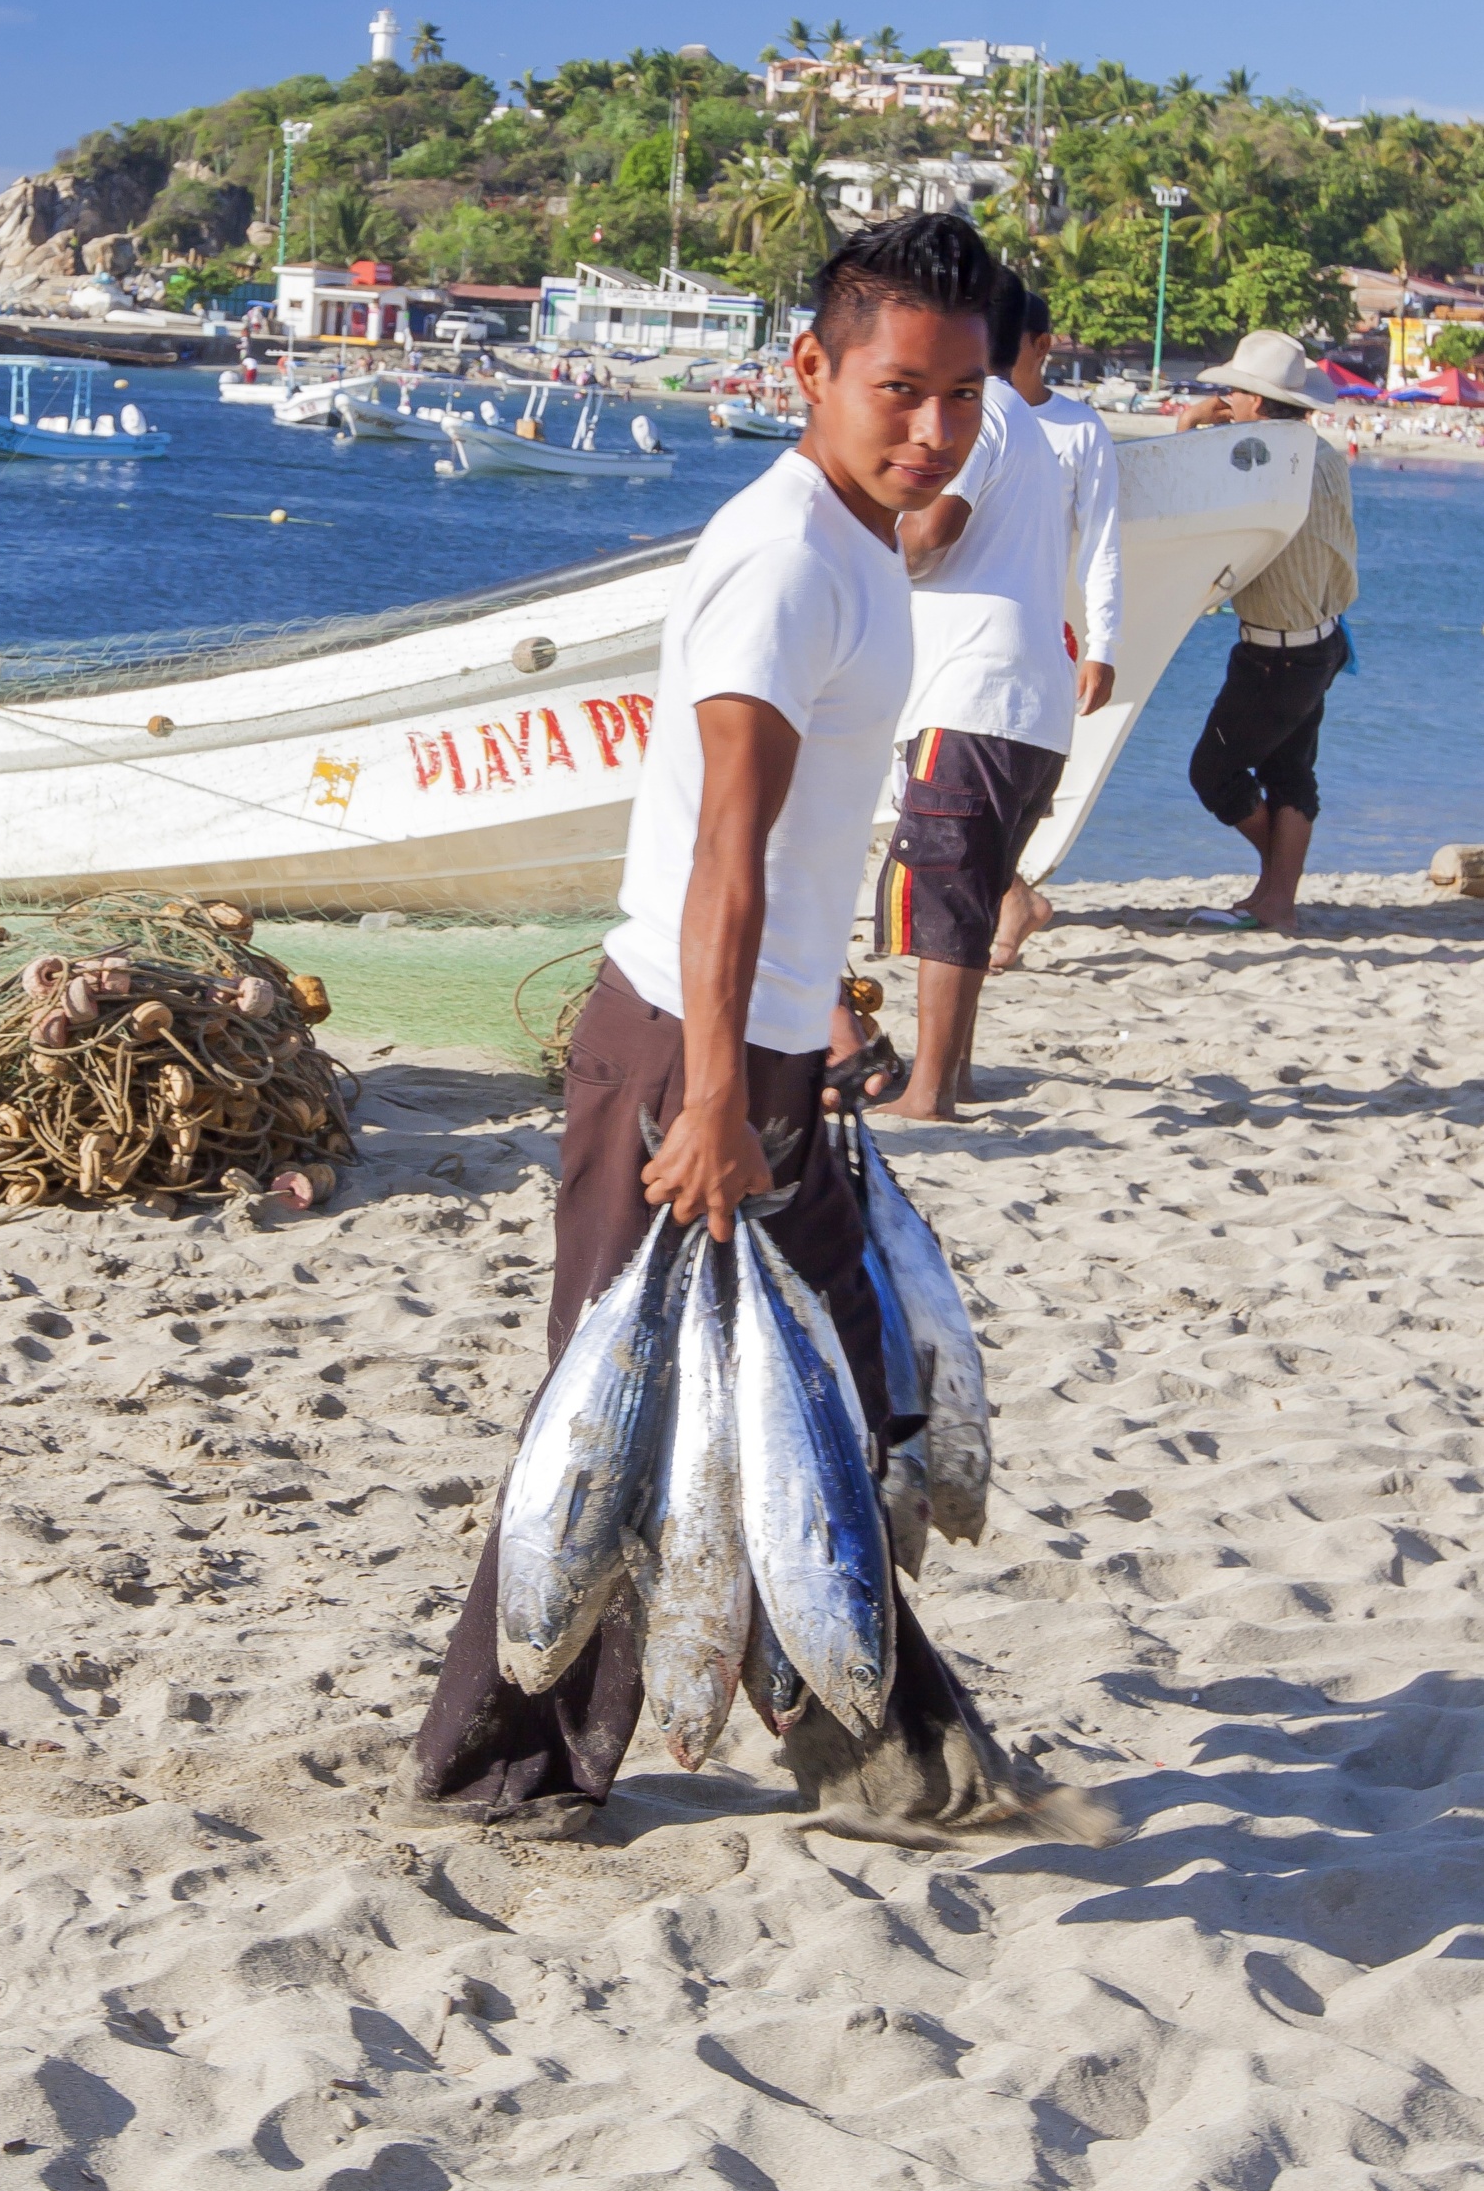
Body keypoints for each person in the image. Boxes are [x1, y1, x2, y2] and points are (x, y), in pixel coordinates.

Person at [394, 214, 1049, 1844]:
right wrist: (707, 1097)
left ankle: (899, 1758)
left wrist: (812, 1017)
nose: (933, 430)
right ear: (810, 371)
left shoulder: (855, 541)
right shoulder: (780, 564)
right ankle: (496, 1773)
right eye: (900, 391)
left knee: (819, 1414)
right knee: (610, 1425)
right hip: (681, 1057)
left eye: (964, 396)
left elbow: (801, 849)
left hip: (758, 1057)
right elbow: (722, 853)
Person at [874, 268, 1118, 1121]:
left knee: (946, 891)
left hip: (970, 687)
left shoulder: (979, 421)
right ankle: (957, 1072)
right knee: (972, 889)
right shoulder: (1027, 425)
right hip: (1029, 697)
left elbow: (932, 536)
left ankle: (931, 1090)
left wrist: (862, 537)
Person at [1178, 328, 1357, 933]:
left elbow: (1190, 499)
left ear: (1257, 401)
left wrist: (1188, 425)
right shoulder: (1322, 453)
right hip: (1324, 641)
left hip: (1277, 653)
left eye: (1235, 389)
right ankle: (1277, 898)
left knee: (1214, 772)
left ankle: (1278, 884)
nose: (1227, 396)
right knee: (1291, 774)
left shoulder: (1260, 458)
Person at [990, 288, 1123, 970]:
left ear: (1042, 345)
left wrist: (1102, 646)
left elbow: (1101, 543)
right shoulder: (963, 412)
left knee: (1013, 783)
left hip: (1036, 631)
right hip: (956, 628)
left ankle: (1011, 899)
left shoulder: (1077, 430)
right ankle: (1010, 897)